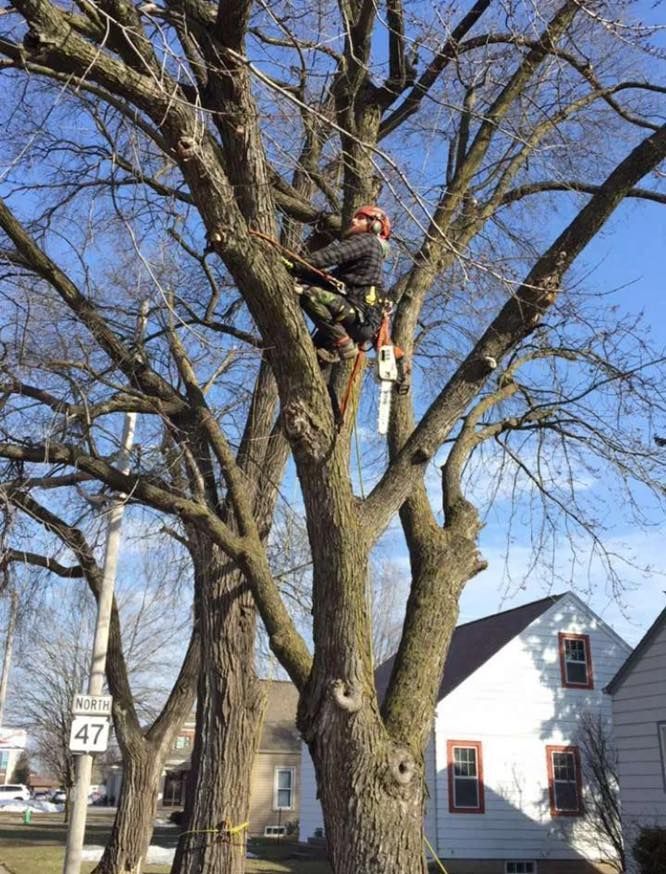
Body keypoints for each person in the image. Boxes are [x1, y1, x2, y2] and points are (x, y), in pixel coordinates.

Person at [290, 205, 392, 362]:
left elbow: (333, 255)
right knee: (310, 357)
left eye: (360, 218)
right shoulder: (359, 269)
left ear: (375, 225)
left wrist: (297, 264)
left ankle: (343, 344)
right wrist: (301, 272)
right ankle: (330, 355)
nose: (353, 220)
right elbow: (329, 280)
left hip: (357, 316)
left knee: (310, 294)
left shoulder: (368, 241)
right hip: (353, 319)